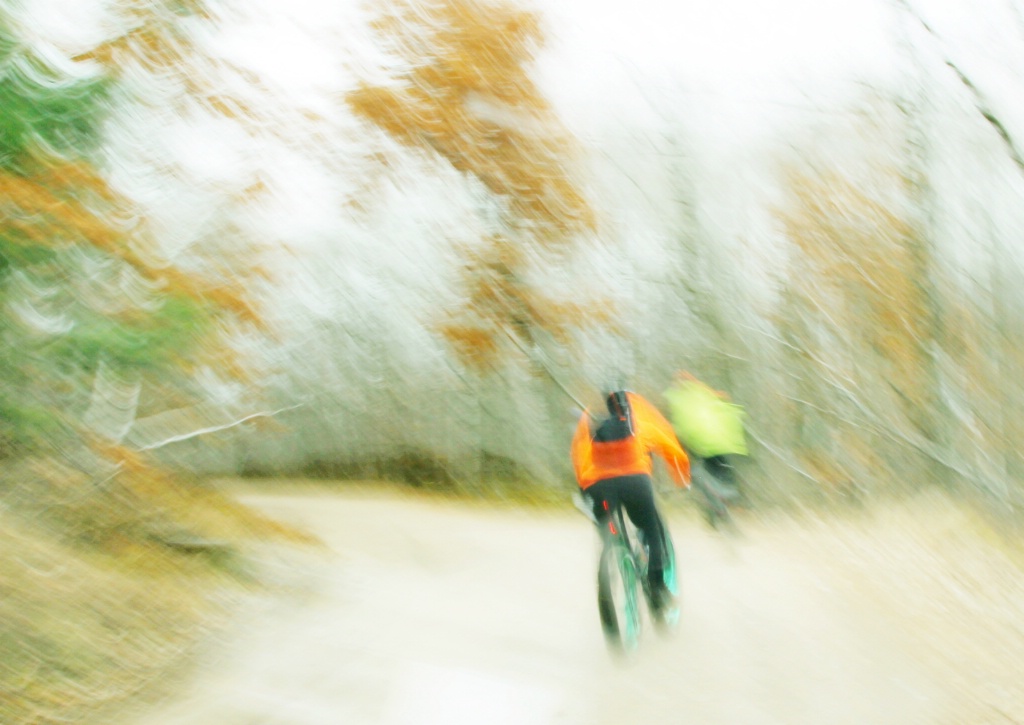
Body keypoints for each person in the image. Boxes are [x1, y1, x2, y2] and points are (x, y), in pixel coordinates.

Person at [570, 388, 691, 612]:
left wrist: (585, 488)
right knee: (651, 528)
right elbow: (670, 446)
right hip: (636, 484)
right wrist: (682, 477)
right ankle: (657, 589)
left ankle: (611, 558)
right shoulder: (639, 415)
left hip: (601, 488)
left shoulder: (591, 418)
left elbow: (579, 454)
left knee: (607, 527)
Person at [663, 370, 747, 505]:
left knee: (697, 470)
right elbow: (721, 397)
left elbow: (674, 420)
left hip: (694, 441)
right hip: (712, 441)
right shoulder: (700, 390)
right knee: (719, 467)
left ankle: (710, 493)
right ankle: (726, 494)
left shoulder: (676, 397)